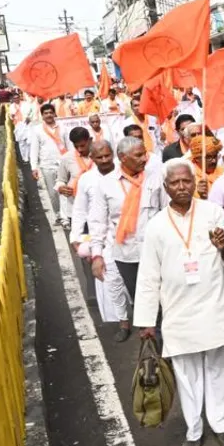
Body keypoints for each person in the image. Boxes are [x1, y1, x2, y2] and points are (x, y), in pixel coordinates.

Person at [135, 160, 224, 446]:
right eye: (175, 183)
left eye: (186, 181)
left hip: (214, 304)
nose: (181, 187)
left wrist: (223, 247)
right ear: (166, 187)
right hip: (178, 312)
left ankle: (221, 424)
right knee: (186, 373)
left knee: (219, 368)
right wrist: (146, 321)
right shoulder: (156, 225)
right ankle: (194, 429)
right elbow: (148, 275)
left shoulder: (213, 213)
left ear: (194, 183)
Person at [88, 137, 165, 342]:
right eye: (138, 155)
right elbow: (98, 222)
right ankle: (155, 349)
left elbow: (167, 212)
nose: (144, 158)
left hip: (158, 252)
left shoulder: (156, 178)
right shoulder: (106, 184)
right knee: (142, 302)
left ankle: (167, 343)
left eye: (144, 153)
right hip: (127, 255)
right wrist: (97, 255)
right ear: (122, 158)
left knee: (164, 299)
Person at [72, 140, 125, 326]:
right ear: (92, 158)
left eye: (107, 156)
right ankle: (120, 321)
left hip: (124, 232)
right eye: (99, 157)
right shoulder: (86, 179)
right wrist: (76, 237)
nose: (104, 160)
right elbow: (79, 210)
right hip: (100, 235)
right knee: (107, 277)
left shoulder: (125, 173)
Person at [30, 103, 67, 209]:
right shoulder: (37, 130)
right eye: (46, 113)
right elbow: (34, 150)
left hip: (64, 165)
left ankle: (66, 216)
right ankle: (58, 215)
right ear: (42, 116)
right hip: (47, 166)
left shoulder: (63, 127)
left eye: (51, 112)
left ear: (54, 114)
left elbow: (69, 146)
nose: (49, 115)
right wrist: (34, 168)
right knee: (53, 193)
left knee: (66, 191)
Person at [55, 127, 94, 228]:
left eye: (82, 145)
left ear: (90, 140)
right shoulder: (67, 158)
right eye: (76, 146)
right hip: (76, 210)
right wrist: (61, 188)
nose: (80, 149)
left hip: (98, 209)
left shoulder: (100, 155)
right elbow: (61, 180)